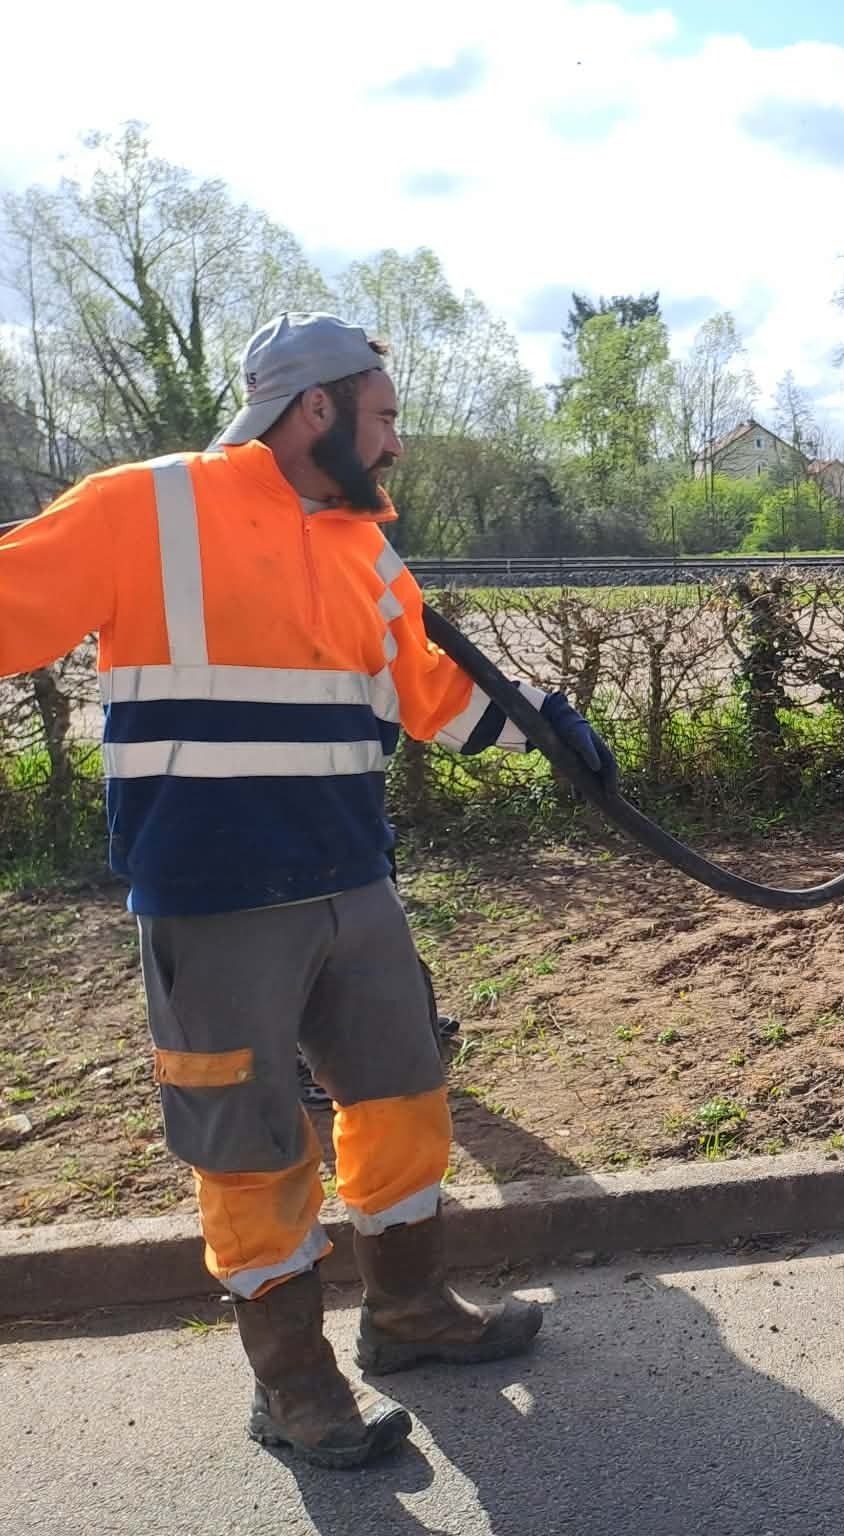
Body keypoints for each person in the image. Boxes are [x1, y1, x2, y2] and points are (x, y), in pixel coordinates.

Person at [0, 313, 617, 1468]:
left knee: (403, 1099)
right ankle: (292, 1387)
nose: (396, 445)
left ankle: (408, 1313)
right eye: (383, 417)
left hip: (352, 879)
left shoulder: (361, 548)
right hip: (212, 899)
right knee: (249, 1147)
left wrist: (544, 725)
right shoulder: (145, 506)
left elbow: (429, 691)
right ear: (315, 407)